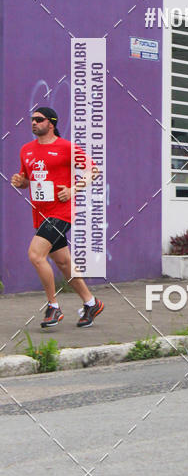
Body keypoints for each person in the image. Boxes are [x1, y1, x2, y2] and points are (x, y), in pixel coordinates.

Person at [11, 106, 105, 328]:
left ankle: (53, 306)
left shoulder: (66, 148)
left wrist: (73, 190)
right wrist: (20, 182)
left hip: (61, 212)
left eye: (39, 119)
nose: (33, 122)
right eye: (32, 119)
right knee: (63, 262)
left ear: (51, 124)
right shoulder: (26, 150)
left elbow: (93, 170)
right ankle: (91, 303)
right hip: (40, 214)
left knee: (35, 255)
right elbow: (28, 179)